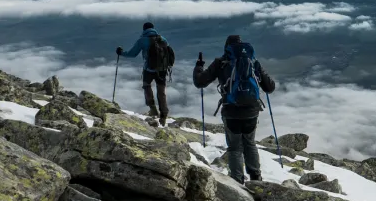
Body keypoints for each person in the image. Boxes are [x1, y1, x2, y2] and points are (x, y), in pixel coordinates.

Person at [193, 35, 276, 184]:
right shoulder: (253, 62)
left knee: (235, 148)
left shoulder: (221, 62)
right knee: (250, 144)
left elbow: (200, 82)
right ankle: (256, 178)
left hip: (231, 112)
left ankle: (237, 182)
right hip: (251, 111)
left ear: (227, 48)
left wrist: (199, 66)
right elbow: (270, 87)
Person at [116, 22, 174, 126]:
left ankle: (152, 108)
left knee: (147, 86)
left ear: (144, 29)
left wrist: (121, 52)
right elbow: (169, 54)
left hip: (149, 69)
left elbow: (132, 54)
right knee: (161, 92)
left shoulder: (142, 40)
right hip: (162, 70)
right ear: (153, 28)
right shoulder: (163, 39)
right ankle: (164, 115)